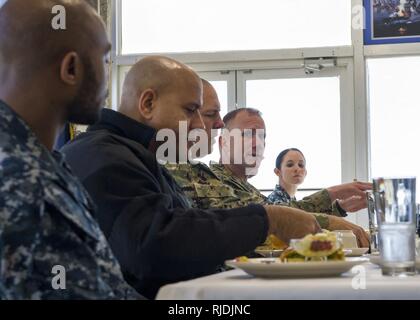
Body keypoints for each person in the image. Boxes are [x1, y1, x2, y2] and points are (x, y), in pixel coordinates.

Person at [61, 56, 322, 299]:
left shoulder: (137, 157)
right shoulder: (104, 156)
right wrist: (268, 220)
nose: (199, 125)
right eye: (190, 110)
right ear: (148, 103)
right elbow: (155, 247)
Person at [0, 0, 138, 299]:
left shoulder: (41, 161)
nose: (107, 74)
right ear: (71, 68)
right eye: (104, 59)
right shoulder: (30, 187)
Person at [167, 106, 370, 247]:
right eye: (248, 134)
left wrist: (336, 199)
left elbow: (286, 214)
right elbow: (274, 219)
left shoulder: (246, 187)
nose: (258, 143)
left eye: (262, 136)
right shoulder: (208, 178)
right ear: (224, 143)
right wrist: (332, 217)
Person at [268, 148, 366, 214]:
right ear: (277, 172)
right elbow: (300, 219)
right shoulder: (274, 201)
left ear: (305, 172)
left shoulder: (292, 201)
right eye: (290, 165)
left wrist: (342, 206)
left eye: (301, 165)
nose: (297, 169)